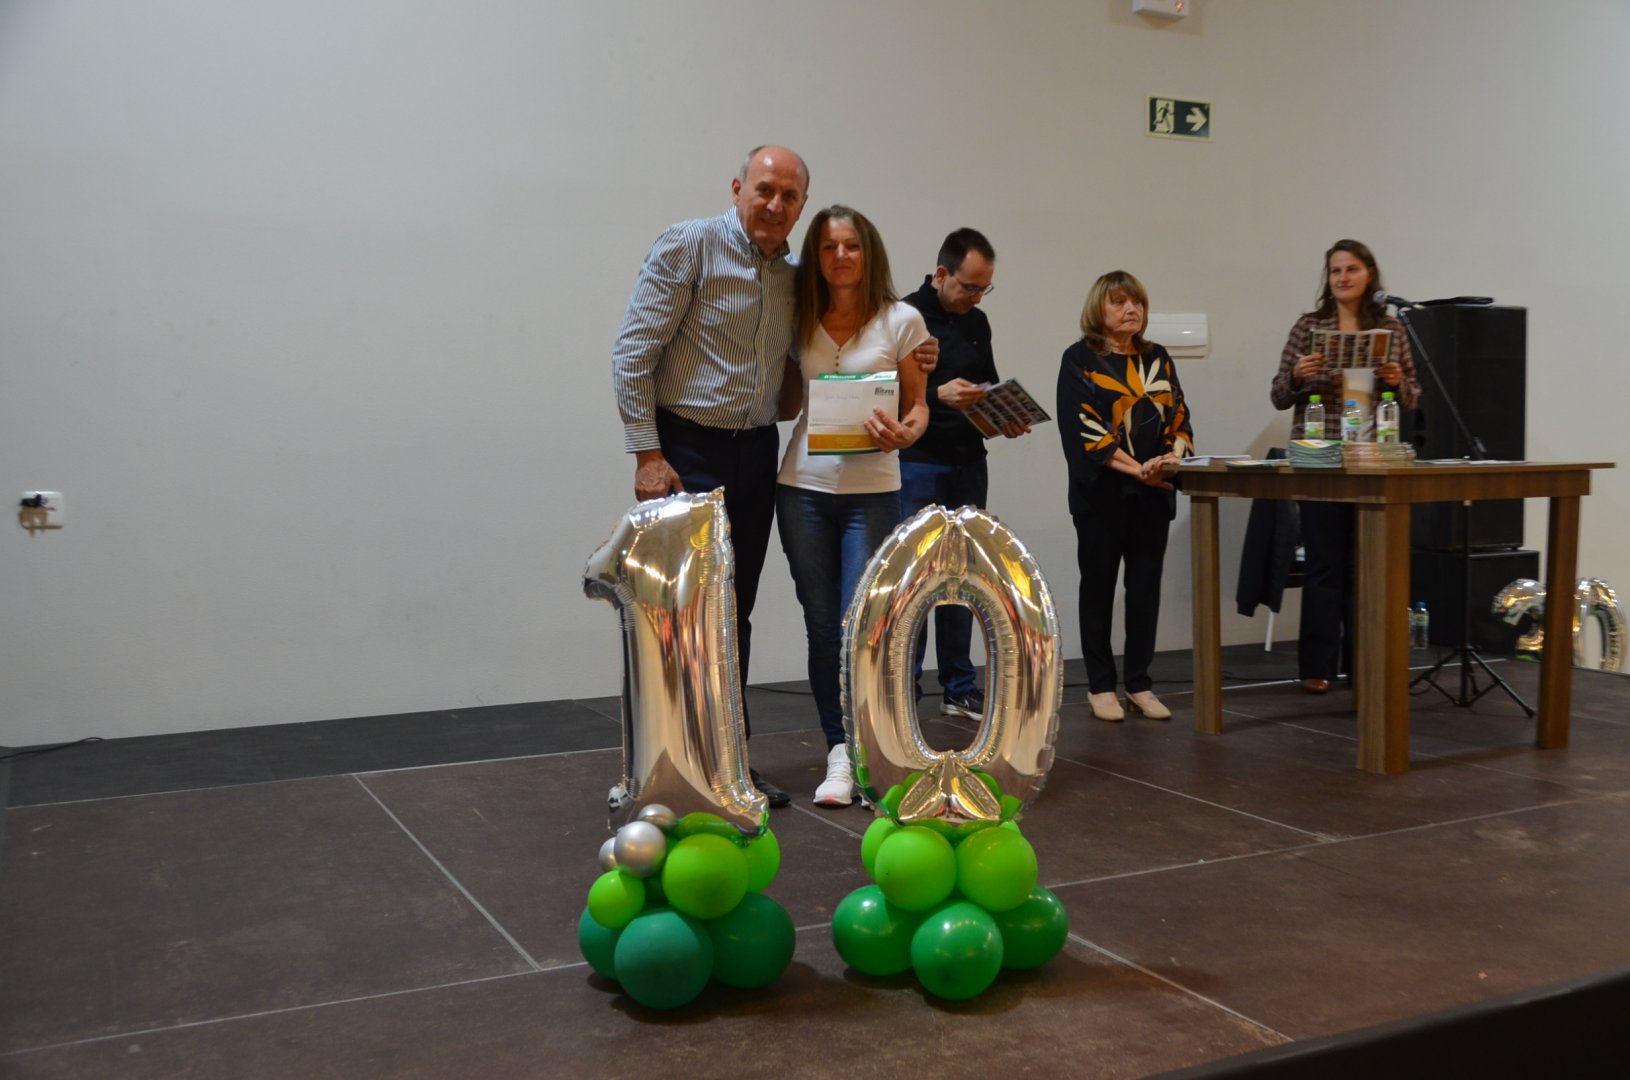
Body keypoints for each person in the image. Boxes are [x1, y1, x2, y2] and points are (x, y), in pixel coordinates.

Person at [610, 145, 810, 808]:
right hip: (686, 451)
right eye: (765, 189)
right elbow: (633, 353)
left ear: (801, 207)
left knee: (732, 611)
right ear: (737, 187)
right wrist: (648, 456)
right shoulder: (690, 245)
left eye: (789, 196)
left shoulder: (794, 275)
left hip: (756, 452)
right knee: (679, 615)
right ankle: (666, 769)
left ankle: (729, 765)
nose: (775, 205)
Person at [777, 205, 930, 806]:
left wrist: (907, 433)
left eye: (851, 246)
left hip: (872, 493)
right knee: (821, 626)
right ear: (815, 258)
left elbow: (919, 407)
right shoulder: (798, 318)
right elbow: (788, 403)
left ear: (869, 252)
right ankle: (839, 750)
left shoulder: (903, 320)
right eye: (828, 247)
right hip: (802, 490)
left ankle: (872, 751)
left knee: (859, 625)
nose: (841, 256)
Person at [1270, 239, 1420, 694]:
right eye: (1335, 271)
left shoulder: (1391, 328)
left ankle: (1363, 663)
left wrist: (1396, 380)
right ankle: (1317, 666)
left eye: (1351, 269)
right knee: (1324, 565)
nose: (1342, 278)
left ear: (1369, 274)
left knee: (1368, 566)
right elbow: (1278, 394)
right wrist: (1297, 375)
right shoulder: (1308, 326)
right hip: (1322, 461)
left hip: (1373, 459)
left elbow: (1413, 396)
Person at [899, 228, 1028, 719]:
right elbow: (884, 392)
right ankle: (905, 686)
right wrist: (936, 395)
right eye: (969, 287)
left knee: (961, 576)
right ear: (941, 274)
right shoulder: (903, 317)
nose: (976, 297)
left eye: (983, 288)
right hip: (919, 461)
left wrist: (1003, 416)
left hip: (969, 461)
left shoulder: (977, 321)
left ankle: (958, 685)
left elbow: (985, 385)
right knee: (915, 579)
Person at [1056, 271, 1193, 723]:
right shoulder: (1080, 359)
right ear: (1098, 309)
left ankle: (1139, 683)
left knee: (1145, 590)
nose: (1131, 310)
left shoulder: (1158, 357)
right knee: (1098, 588)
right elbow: (1085, 432)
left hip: (1153, 496)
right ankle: (1100, 686)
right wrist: (1140, 471)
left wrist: (1170, 462)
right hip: (1102, 497)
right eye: (1119, 302)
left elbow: (1179, 418)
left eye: (1137, 302)